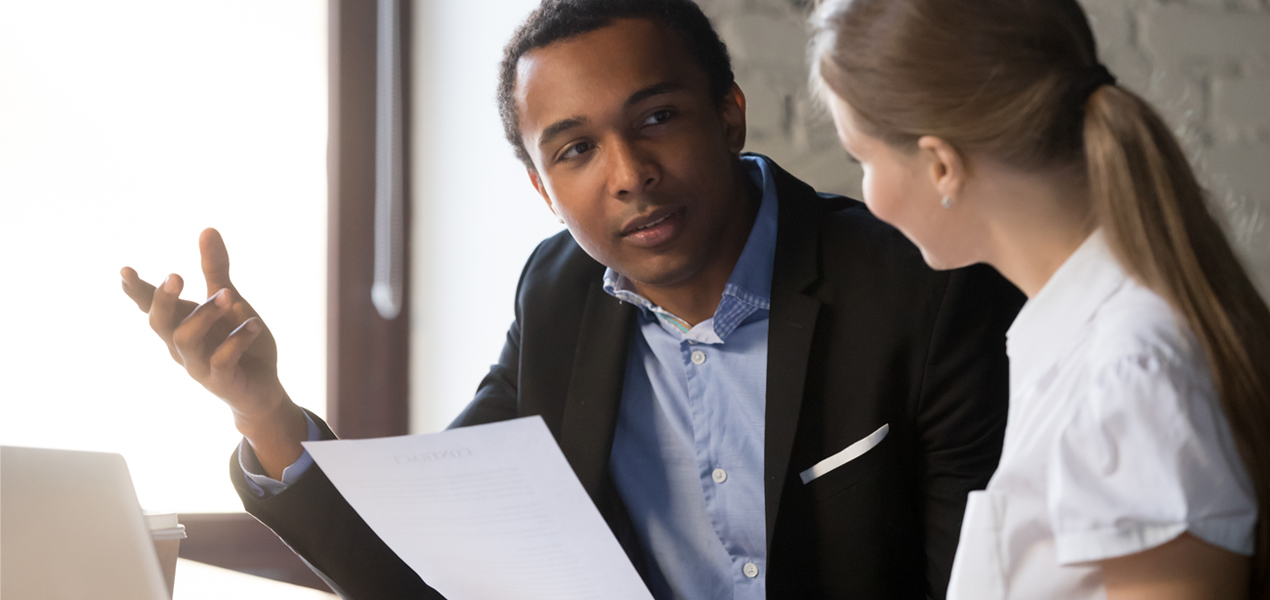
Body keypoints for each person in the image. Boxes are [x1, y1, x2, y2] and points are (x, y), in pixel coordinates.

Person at [121, 1, 1023, 598]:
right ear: (542, 189)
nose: (630, 176)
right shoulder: (559, 297)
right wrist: (265, 411)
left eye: (657, 118)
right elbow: (431, 564)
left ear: (730, 115)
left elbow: (989, 582)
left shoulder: (921, 289)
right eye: (576, 150)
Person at [809, 0, 1270, 598]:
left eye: (861, 158)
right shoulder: (1081, 337)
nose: (863, 191)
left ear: (941, 164)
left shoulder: (1127, 372)